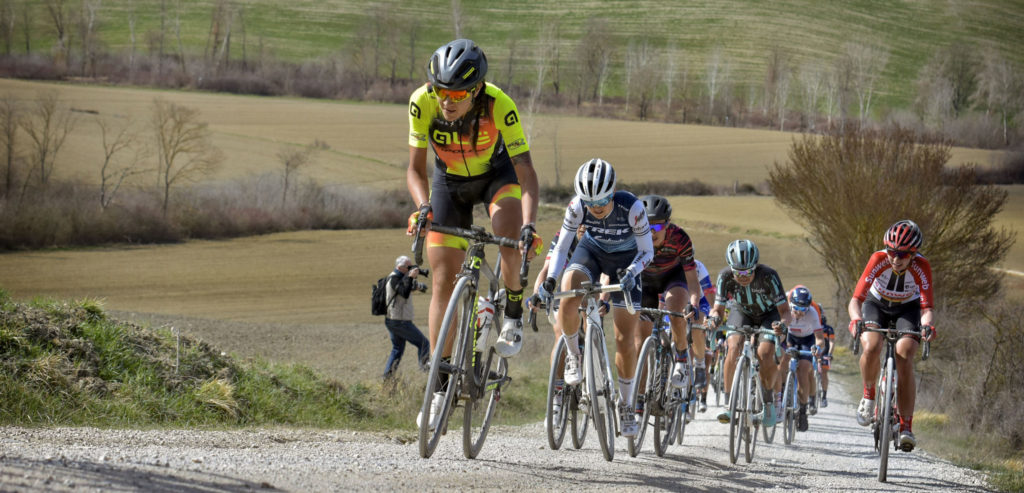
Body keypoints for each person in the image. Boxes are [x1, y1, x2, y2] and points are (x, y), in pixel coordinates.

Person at [406, 39, 541, 363]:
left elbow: (526, 172)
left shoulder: (499, 104)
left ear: (477, 89)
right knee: (442, 279)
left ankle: (511, 312)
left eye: (456, 94)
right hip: (449, 182)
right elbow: (414, 169)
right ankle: (439, 382)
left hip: (497, 175)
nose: (446, 101)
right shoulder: (421, 102)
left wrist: (529, 226)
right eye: (441, 91)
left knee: (507, 235)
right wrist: (423, 207)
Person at [537, 158, 654, 437]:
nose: (596, 206)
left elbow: (647, 252)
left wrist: (633, 271)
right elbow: (563, 246)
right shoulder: (577, 206)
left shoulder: (632, 207)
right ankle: (574, 357)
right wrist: (551, 280)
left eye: (601, 199)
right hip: (591, 253)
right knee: (569, 285)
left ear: (612, 192)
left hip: (626, 262)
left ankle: (626, 404)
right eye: (590, 201)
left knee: (626, 339)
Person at [849, 219, 936, 451]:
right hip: (875, 304)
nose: (896, 259)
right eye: (892, 252)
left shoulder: (921, 266)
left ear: (914, 253)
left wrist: (927, 326)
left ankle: (906, 426)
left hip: (907, 309)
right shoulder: (878, 260)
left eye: (903, 254)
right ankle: (869, 396)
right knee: (871, 345)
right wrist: (856, 320)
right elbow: (856, 300)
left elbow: (927, 309)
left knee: (905, 355)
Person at [707, 239, 789, 428]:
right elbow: (718, 310)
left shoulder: (769, 276)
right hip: (741, 311)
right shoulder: (725, 277)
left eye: (747, 271)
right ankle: (729, 403)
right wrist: (713, 319)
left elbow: (785, 311)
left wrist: (783, 325)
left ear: (756, 266)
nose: (743, 276)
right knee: (733, 347)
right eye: (738, 272)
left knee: (765, 354)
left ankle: (768, 401)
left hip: (769, 314)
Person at [634, 195, 705, 395]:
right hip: (646, 281)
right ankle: (639, 398)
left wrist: (693, 304)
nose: (652, 232)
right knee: (640, 341)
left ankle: (682, 358)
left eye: (657, 227)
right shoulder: (634, 237)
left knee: (675, 310)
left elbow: (692, 279)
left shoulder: (681, 239)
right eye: (647, 226)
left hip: (673, 278)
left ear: (668, 224)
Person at [779, 285, 825, 432]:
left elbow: (819, 338)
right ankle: (780, 392)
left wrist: (817, 348)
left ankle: (803, 410)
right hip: (789, 337)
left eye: (804, 309)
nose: (799, 313)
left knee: (804, 368)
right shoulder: (785, 308)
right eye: (796, 308)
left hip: (807, 340)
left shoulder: (812, 313)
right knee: (783, 359)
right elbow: (779, 332)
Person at [382, 256, 431, 380]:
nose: (410, 269)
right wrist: (410, 277)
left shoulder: (399, 277)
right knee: (424, 343)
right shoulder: (393, 278)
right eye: (408, 267)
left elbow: (405, 288)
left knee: (397, 348)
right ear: (400, 267)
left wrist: (418, 286)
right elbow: (404, 292)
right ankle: (426, 372)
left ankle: (388, 377)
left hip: (394, 320)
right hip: (399, 321)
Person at [819, 314, 835, 408]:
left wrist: (830, 353)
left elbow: (831, 341)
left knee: (824, 373)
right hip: (815, 352)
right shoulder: (811, 326)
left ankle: (824, 397)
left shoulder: (829, 329)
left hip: (825, 353)